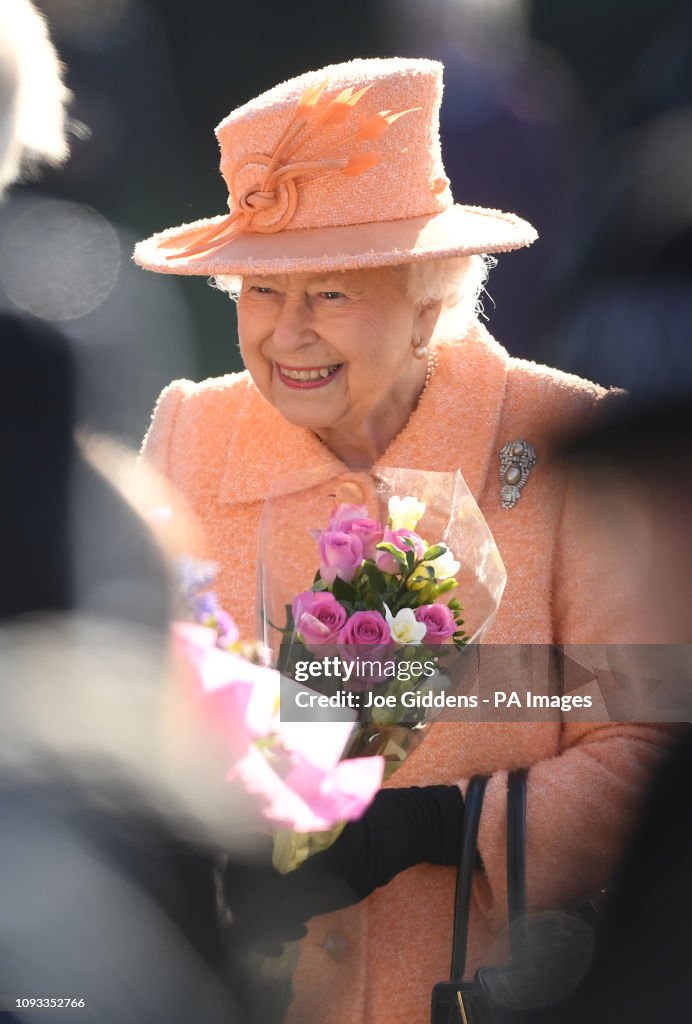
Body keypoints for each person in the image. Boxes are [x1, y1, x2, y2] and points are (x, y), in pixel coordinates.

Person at [134, 57, 673, 1024]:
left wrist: (441, 826)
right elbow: (130, 686)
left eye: (331, 295)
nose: (285, 335)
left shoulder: (563, 443)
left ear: (431, 296)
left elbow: (652, 744)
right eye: (261, 291)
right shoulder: (189, 431)